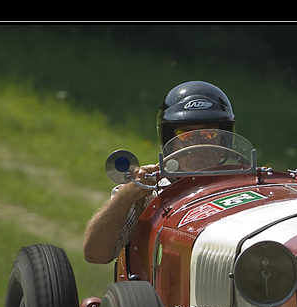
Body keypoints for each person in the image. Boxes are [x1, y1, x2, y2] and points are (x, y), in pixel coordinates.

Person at [83, 81, 236, 264]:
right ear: (170, 141)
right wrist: (125, 195)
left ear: (224, 141)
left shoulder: (246, 186)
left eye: (208, 135)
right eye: (185, 135)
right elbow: (95, 254)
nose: (197, 144)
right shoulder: (147, 191)